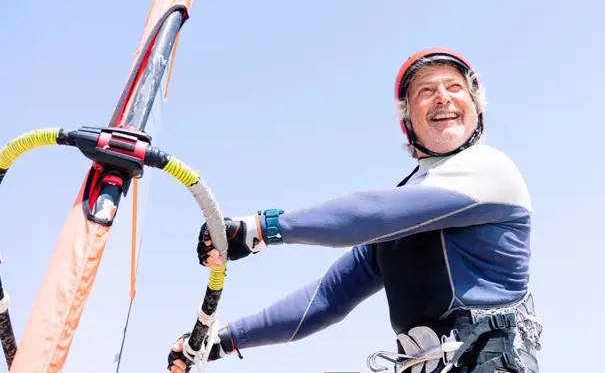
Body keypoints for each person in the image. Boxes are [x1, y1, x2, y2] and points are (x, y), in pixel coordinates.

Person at [168, 47, 543, 373]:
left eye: (454, 87)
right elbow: (325, 300)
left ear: (477, 107)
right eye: (426, 91)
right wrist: (224, 341)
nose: (443, 97)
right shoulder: (406, 211)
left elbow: (369, 213)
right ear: (407, 119)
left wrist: (261, 229)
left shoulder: (490, 170)